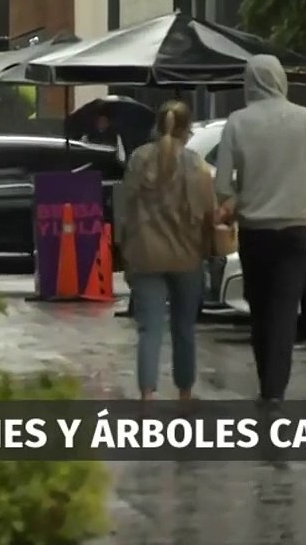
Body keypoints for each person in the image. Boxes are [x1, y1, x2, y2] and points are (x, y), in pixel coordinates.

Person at [214, 55, 306, 404]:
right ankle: (274, 389)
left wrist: (234, 202)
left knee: (261, 308)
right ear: (281, 79)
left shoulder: (237, 122)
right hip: (297, 228)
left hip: (255, 231)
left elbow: (223, 185)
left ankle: (268, 379)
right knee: (285, 308)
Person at [121, 101, 216, 401]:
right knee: (184, 328)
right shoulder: (196, 164)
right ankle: (185, 394)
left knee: (149, 329)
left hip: (145, 256)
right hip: (187, 257)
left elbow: (125, 209)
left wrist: (125, 248)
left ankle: (147, 396)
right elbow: (207, 214)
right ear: (188, 129)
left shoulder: (139, 159)